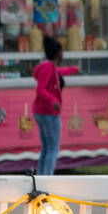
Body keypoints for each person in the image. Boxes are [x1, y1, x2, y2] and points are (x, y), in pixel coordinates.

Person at [32, 37, 80, 176]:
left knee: (46, 148)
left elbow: (59, 72)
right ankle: (47, 178)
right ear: (58, 53)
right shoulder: (48, 68)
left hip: (41, 112)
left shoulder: (48, 67)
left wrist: (73, 69)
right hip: (49, 113)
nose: (63, 54)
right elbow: (41, 89)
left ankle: (41, 177)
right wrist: (53, 101)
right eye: (62, 51)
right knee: (53, 148)